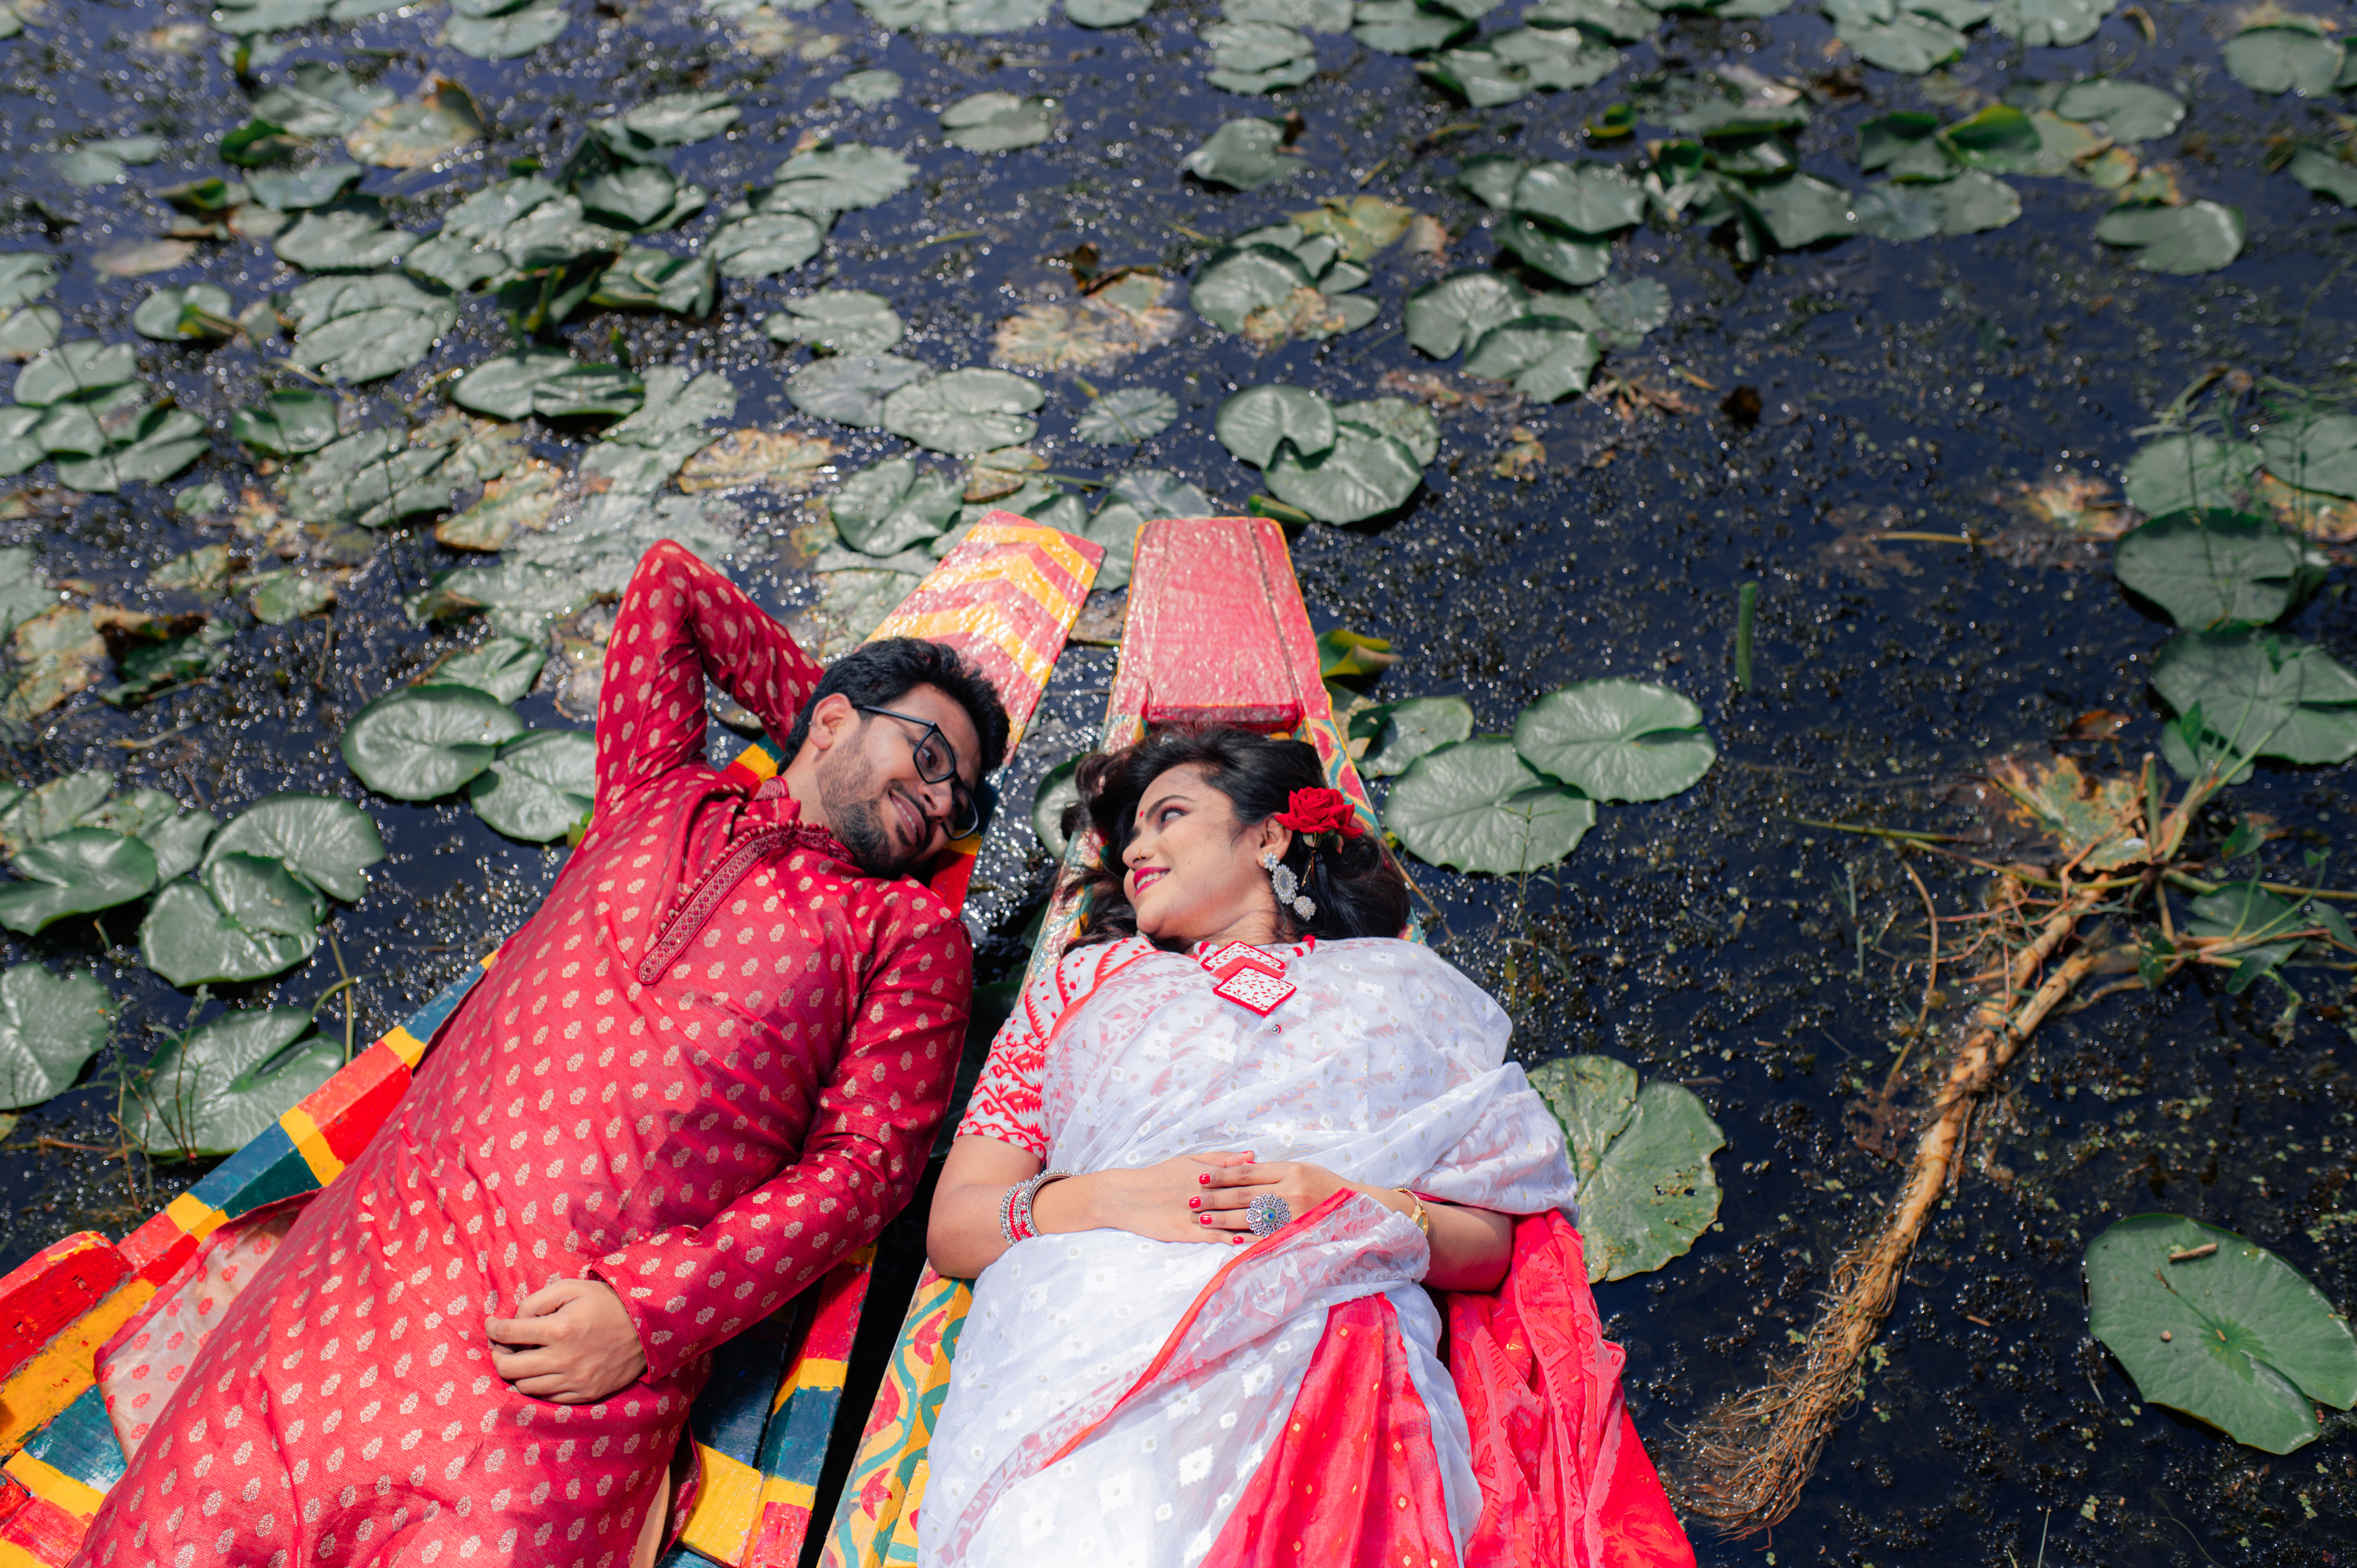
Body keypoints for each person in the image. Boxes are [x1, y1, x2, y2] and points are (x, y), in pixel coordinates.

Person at [78, 540, 1012, 1568]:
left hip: (555, 1346)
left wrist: (652, 1313)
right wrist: (821, 724)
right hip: (370, 1270)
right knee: (172, 1532)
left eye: (961, 806)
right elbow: (668, 583)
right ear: (835, 718)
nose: (938, 806)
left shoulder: (904, 935)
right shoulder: (657, 792)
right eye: (929, 761)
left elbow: (867, 1171)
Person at [921, 726, 1694, 1568]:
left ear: (1268, 835)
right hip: (1081, 1330)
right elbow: (957, 1226)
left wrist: (1347, 1207)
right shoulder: (1075, 988)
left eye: (1168, 815)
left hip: (1332, 1329)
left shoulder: (1403, 989)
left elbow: (1493, 1246)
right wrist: (1108, 1197)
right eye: (1130, 833)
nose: (1139, 846)